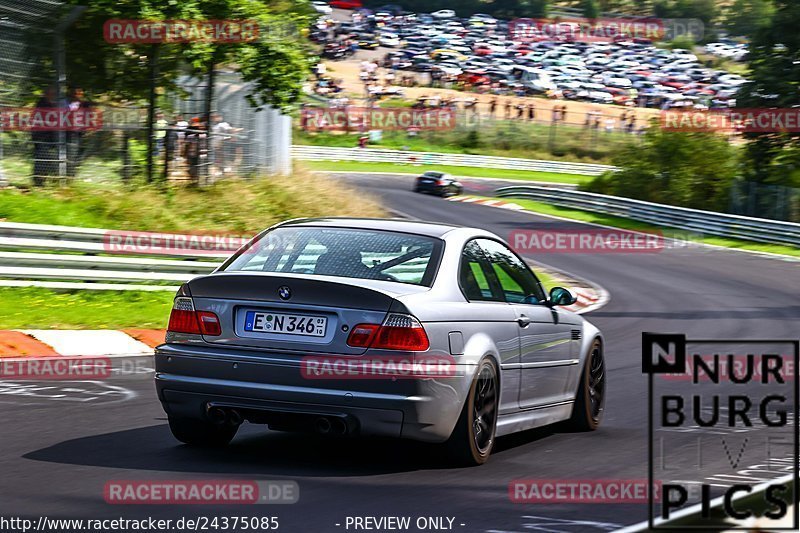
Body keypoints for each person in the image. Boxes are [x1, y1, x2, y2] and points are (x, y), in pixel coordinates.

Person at [32, 86, 58, 186]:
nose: (53, 95)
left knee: (45, 158)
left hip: (50, 137)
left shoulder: (53, 104)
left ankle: (41, 180)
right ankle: (39, 181)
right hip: (41, 136)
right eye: (51, 93)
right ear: (46, 94)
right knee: (43, 157)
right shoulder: (42, 104)